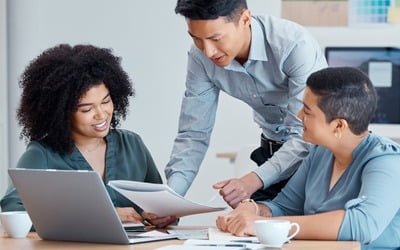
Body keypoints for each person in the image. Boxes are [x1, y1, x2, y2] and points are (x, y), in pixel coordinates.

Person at [166, 0, 327, 207]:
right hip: (271, 153)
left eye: (216, 38)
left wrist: (252, 181)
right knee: (250, 228)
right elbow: (193, 133)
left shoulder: (294, 45)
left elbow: (304, 134)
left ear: (245, 19)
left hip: (317, 159)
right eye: (196, 39)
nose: (208, 51)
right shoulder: (200, 58)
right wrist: (170, 199)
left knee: (309, 232)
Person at [216, 67, 400, 249]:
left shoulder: (387, 160)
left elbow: (362, 225)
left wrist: (260, 224)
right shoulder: (320, 153)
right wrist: (252, 209)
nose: (299, 116)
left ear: (338, 125)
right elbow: (284, 207)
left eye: (307, 111)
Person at [0, 44, 176, 228]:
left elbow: (160, 204)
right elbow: (13, 210)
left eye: (106, 101)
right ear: (61, 111)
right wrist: (105, 216)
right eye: (87, 109)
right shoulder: (41, 154)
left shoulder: (132, 145)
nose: (101, 114)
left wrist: (162, 216)